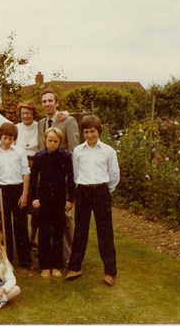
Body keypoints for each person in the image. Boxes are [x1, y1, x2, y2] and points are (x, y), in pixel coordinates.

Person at [65, 115, 120, 287]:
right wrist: (82, 188)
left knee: (105, 232)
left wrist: (104, 189)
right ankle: (75, 267)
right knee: (80, 230)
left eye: (92, 131)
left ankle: (110, 272)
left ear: (99, 131)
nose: (89, 135)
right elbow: (75, 173)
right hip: (83, 191)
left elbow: (114, 174)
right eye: (86, 132)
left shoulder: (108, 151)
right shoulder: (79, 151)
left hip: (101, 191)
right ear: (83, 133)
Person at [37, 89, 79, 266]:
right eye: (44, 101)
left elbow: (75, 150)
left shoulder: (67, 120)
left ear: (57, 103)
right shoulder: (41, 123)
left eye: (50, 101)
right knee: (47, 220)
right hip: (47, 182)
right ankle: (49, 255)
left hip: (63, 178)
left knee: (66, 218)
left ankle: (68, 255)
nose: (47, 104)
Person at [0, 123, 34, 271]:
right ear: (0, 137)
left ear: (14, 138)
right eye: (5, 138)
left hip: (18, 189)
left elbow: (26, 172)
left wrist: (25, 194)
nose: (7, 141)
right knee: (5, 227)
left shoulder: (19, 151)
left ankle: (25, 260)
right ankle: (7, 260)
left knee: (21, 226)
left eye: (11, 138)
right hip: (1, 191)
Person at [30, 127, 75, 279]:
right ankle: (45, 265)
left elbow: (71, 178)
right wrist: (34, 198)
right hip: (43, 200)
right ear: (45, 140)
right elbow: (33, 179)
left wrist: (70, 199)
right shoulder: (39, 156)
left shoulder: (65, 156)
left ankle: (56, 265)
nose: (52, 143)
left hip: (59, 200)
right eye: (50, 140)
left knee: (57, 233)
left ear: (60, 142)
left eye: (56, 141)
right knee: (44, 232)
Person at [15, 100, 40, 251]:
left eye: (29, 113)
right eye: (23, 113)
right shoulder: (16, 128)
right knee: (22, 203)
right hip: (21, 168)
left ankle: (34, 237)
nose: (26, 116)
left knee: (36, 205)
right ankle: (23, 240)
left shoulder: (40, 126)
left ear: (34, 114)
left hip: (36, 167)